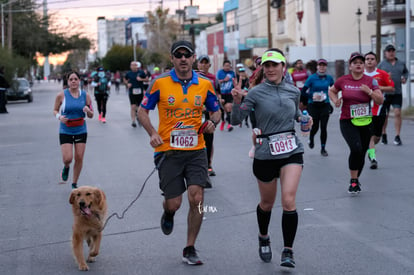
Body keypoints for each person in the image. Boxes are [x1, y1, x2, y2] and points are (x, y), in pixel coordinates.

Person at [137, 40, 221, 265]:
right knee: (174, 203)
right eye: (179, 55)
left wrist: (213, 122)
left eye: (187, 55)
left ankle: (190, 247)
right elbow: (142, 111)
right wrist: (152, 133)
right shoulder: (159, 83)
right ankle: (169, 212)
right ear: (172, 59)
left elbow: (216, 111)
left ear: (193, 58)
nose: (183, 59)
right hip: (168, 151)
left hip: (196, 150)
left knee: (197, 197)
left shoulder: (205, 84)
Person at [231, 49, 312, 268]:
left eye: (275, 65)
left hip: (291, 149)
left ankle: (288, 251)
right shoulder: (255, 93)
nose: (271, 69)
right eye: (267, 66)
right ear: (263, 69)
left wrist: (305, 118)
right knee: (267, 203)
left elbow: (296, 114)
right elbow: (237, 119)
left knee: (288, 200)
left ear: (283, 67)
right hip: (266, 152)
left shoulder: (293, 91)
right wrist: (238, 101)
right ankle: (264, 236)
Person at [329, 52, 383, 194]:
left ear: (364, 65)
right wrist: (335, 101)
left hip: (366, 121)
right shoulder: (343, 80)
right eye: (355, 62)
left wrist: (370, 92)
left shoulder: (370, 81)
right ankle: (353, 181)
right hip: (347, 121)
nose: (358, 64)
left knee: (362, 151)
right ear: (350, 66)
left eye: (361, 62)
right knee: (356, 148)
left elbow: (380, 100)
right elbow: (332, 91)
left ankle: (356, 178)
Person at [53, 71, 94, 189]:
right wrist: (59, 117)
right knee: (68, 158)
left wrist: (88, 110)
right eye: (71, 79)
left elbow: (91, 115)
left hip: (81, 129)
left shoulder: (85, 95)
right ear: (67, 82)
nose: (73, 81)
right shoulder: (61, 95)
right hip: (65, 129)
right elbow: (55, 110)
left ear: (79, 81)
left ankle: (74, 183)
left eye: (75, 79)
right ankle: (66, 167)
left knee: (79, 157)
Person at [364, 51, 395, 169]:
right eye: (367, 59)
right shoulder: (360, 75)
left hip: (380, 108)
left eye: (372, 59)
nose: (369, 61)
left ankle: (371, 147)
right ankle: (373, 158)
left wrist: (377, 87)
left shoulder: (382, 74)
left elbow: (392, 88)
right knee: (370, 136)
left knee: (377, 137)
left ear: (376, 61)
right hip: (365, 109)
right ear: (365, 61)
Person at [301, 58, 334, 156]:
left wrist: (333, 101)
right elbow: (303, 91)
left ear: (326, 67)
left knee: (323, 127)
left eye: (324, 65)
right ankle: (311, 138)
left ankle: (323, 148)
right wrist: (312, 96)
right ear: (317, 67)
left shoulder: (329, 78)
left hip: (325, 104)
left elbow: (334, 90)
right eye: (320, 65)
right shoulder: (311, 78)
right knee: (315, 126)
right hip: (313, 105)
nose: (322, 67)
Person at [377, 44, 409, 146]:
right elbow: (376, 77)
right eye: (389, 51)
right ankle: (384, 134)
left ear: (395, 52)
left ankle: (397, 136)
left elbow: (406, 72)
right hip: (385, 94)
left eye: (392, 51)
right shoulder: (381, 65)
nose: (391, 53)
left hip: (397, 92)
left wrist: (404, 78)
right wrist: (385, 78)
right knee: (384, 116)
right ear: (385, 53)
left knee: (397, 113)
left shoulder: (401, 63)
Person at [197, 54, 220, 177]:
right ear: (197, 64)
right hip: (194, 114)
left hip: (208, 114)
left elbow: (218, 94)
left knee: (208, 140)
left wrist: (218, 105)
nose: (204, 65)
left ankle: (208, 164)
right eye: (201, 62)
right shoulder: (192, 77)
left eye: (206, 63)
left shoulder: (213, 79)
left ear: (209, 65)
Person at [124, 61, 147, 127]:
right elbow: (125, 79)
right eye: (132, 65)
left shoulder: (141, 72)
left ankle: (139, 117)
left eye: (134, 65)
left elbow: (147, 79)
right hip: (132, 92)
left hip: (140, 92)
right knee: (133, 106)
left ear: (137, 66)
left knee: (140, 107)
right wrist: (127, 84)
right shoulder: (129, 73)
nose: (133, 66)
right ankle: (133, 121)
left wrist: (141, 79)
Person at [216, 60, 236, 131]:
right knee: (223, 110)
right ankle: (223, 121)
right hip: (222, 93)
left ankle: (229, 124)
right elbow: (217, 82)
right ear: (223, 66)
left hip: (229, 93)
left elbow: (235, 82)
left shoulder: (232, 73)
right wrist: (224, 80)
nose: (227, 67)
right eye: (226, 66)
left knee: (229, 108)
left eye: (228, 66)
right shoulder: (220, 73)